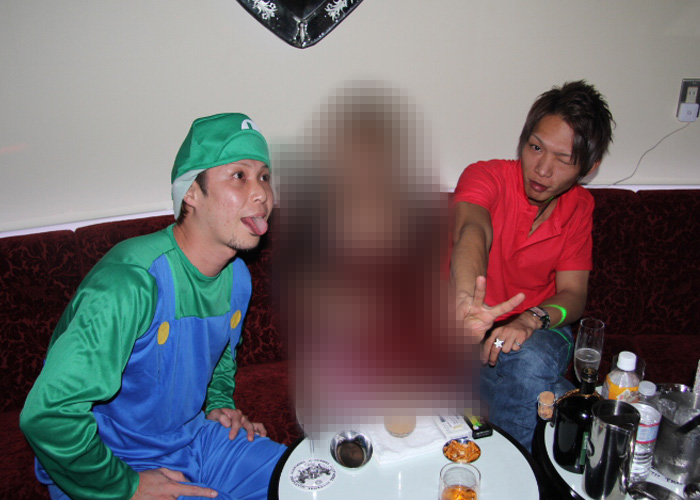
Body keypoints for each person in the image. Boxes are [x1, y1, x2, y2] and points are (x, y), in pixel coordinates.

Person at [20, 113, 286, 500]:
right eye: (239, 175)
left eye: (264, 176)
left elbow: (222, 358)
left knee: (312, 482)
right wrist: (124, 486)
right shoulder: (130, 282)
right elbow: (48, 415)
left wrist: (219, 403)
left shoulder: (237, 279)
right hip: (113, 461)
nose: (261, 193)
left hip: (194, 441)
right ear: (191, 192)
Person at [451, 81, 614, 450]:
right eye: (536, 147)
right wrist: (467, 300)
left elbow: (574, 295)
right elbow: (471, 231)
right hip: (474, 330)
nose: (542, 169)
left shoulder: (580, 207)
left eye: (563, 159)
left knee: (529, 359)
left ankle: (518, 470)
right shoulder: (486, 176)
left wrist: (531, 319)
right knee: (553, 394)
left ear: (588, 167)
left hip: (543, 327)